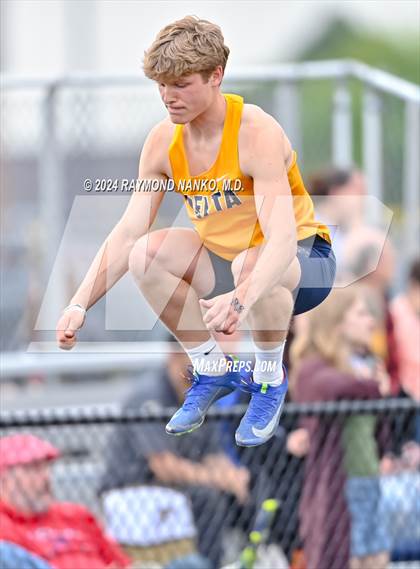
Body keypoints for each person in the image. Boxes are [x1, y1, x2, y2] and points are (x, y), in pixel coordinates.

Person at [56, 15, 335, 447]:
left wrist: (239, 301)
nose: (169, 96)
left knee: (251, 261)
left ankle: (268, 377)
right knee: (144, 255)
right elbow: (129, 230)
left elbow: (280, 243)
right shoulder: (162, 141)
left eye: (181, 84)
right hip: (231, 269)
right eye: (162, 85)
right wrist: (80, 303)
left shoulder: (255, 132)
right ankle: (210, 368)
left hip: (304, 264)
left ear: (215, 76)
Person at [99, 338, 250, 568]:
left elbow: (213, 455)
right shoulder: (150, 394)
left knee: (249, 489)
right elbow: (163, 466)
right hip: (134, 490)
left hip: (179, 489)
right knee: (207, 498)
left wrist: (234, 477)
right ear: (174, 356)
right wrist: (218, 479)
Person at [288, 286, 392, 569]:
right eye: (360, 313)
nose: (370, 321)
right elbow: (328, 385)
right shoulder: (314, 367)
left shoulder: (363, 366)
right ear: (338, 322)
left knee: (378, 559)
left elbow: (379, 431)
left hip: (368, 482)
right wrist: (372, 386)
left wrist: (372, 386)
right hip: (338, 488)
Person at [0, 434, 131, 569]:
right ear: (4, 477)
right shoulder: (4, 522)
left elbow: (120, 563)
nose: (45, 477)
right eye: (33, 469)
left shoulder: (76, 514)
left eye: (46, 467)